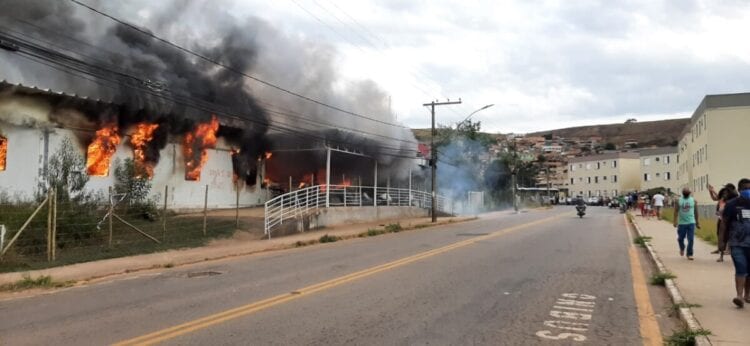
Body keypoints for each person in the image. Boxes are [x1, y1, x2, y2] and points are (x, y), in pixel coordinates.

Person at [719, 178, 750, 308]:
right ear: (740, 190)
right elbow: (724, 223)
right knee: (741, 268)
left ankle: (747, 295)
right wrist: (722, 242)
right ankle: (739, 296)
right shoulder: (732, 204)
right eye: (745, 189)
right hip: (736, 242)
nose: (748, 191)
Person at [709, 183, 738, 261]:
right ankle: (721, 254)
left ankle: (728, 251)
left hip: (731, 221)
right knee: (721, 236)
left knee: (730, 237)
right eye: (724, 192)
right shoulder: (722, 198)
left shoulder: (734, 199)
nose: (725, 193)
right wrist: (711, 191)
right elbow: (715, 198)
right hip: (722, 220)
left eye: (726, 191)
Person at [673, 187, 700, 260]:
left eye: (687, 193)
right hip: (682, 223)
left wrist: (697, 222)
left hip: (691, 222)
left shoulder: (693, 201)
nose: (686, 194)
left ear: (689, 193)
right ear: (683, 193)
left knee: (691, 239)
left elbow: (696, 212)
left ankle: (689, 254)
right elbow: (675, 211)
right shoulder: (678, 200)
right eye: (685, 193)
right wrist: (675, 221)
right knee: (680, 239)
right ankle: (682, 248)